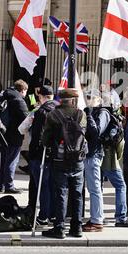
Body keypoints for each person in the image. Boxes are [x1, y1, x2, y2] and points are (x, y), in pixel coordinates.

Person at [42, 88, 86, 239]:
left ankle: (59, 228)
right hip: (78, 160)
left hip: (60, 159)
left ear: (61, 100)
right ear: (74, 100)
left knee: (61, 193)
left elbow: (45, 140)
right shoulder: (81, 114)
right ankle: (77, 227)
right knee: (77, 194)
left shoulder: (53, 115)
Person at [28, 85, 58, 226]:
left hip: (41, 154)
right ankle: (52, 214)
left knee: (43, 186)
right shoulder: (59, 109)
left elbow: (37, 135)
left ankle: (44, 215)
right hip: (56, 154)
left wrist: (33, 153)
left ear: (41, 96)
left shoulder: (42, 111)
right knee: (52, 185)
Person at [83, 89, 110, 232]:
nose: (89, 100)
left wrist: (88, 113)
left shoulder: (103, 113)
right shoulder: (90, 112)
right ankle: (94, 217)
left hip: (94, 154)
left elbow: (96, 132)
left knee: (95, 189)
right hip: (86, 154)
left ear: (99, 100)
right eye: (87, 97)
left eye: (92, 98)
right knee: (91, 188)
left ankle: (97, 220)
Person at [2, 80, 29, 193]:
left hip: (4, 133)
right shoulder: (19, 101)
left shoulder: (7, 96)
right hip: (15, 134)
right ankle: (9, 185)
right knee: (12, 160)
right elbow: (26, 118)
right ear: (23, 90)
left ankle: (2, 183)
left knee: (5, 159)